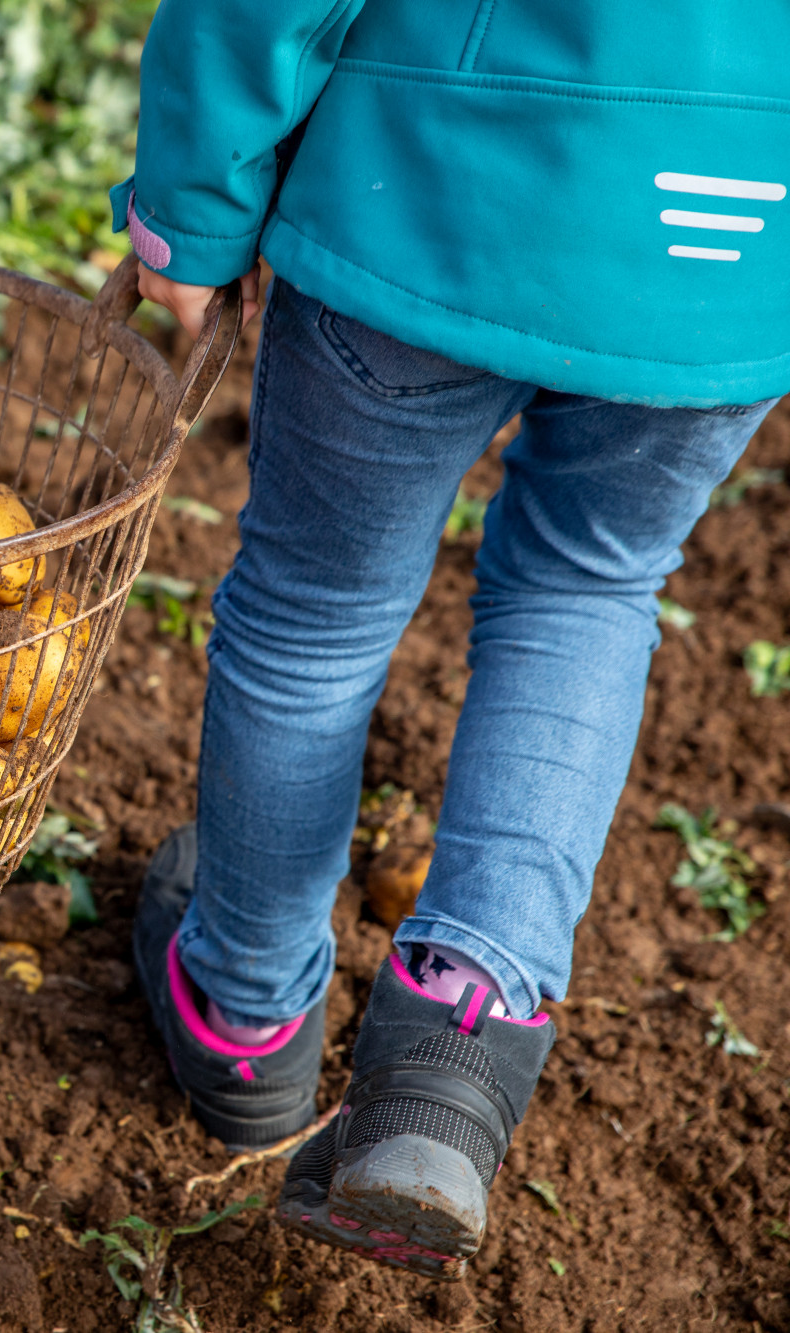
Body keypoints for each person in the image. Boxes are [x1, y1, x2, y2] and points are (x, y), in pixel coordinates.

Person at [114, 0, 785, 1280]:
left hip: (442, 191)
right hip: (737, 246)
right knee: (586, 590)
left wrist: (189, 210)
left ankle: (246, 1015)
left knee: (313, 614)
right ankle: (459, 1043)